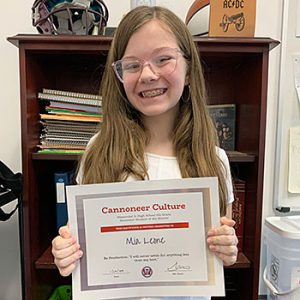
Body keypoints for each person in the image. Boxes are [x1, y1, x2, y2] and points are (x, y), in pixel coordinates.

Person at [52, 5, 238, 300]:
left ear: (189, 70)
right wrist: (65, 253)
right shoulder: (99, 150)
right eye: (132, 65)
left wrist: (227, 250)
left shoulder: (214, 160)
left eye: (163, 59)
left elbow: (221, 253)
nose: (148, 75)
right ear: (119, 75)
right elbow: (77, 243)